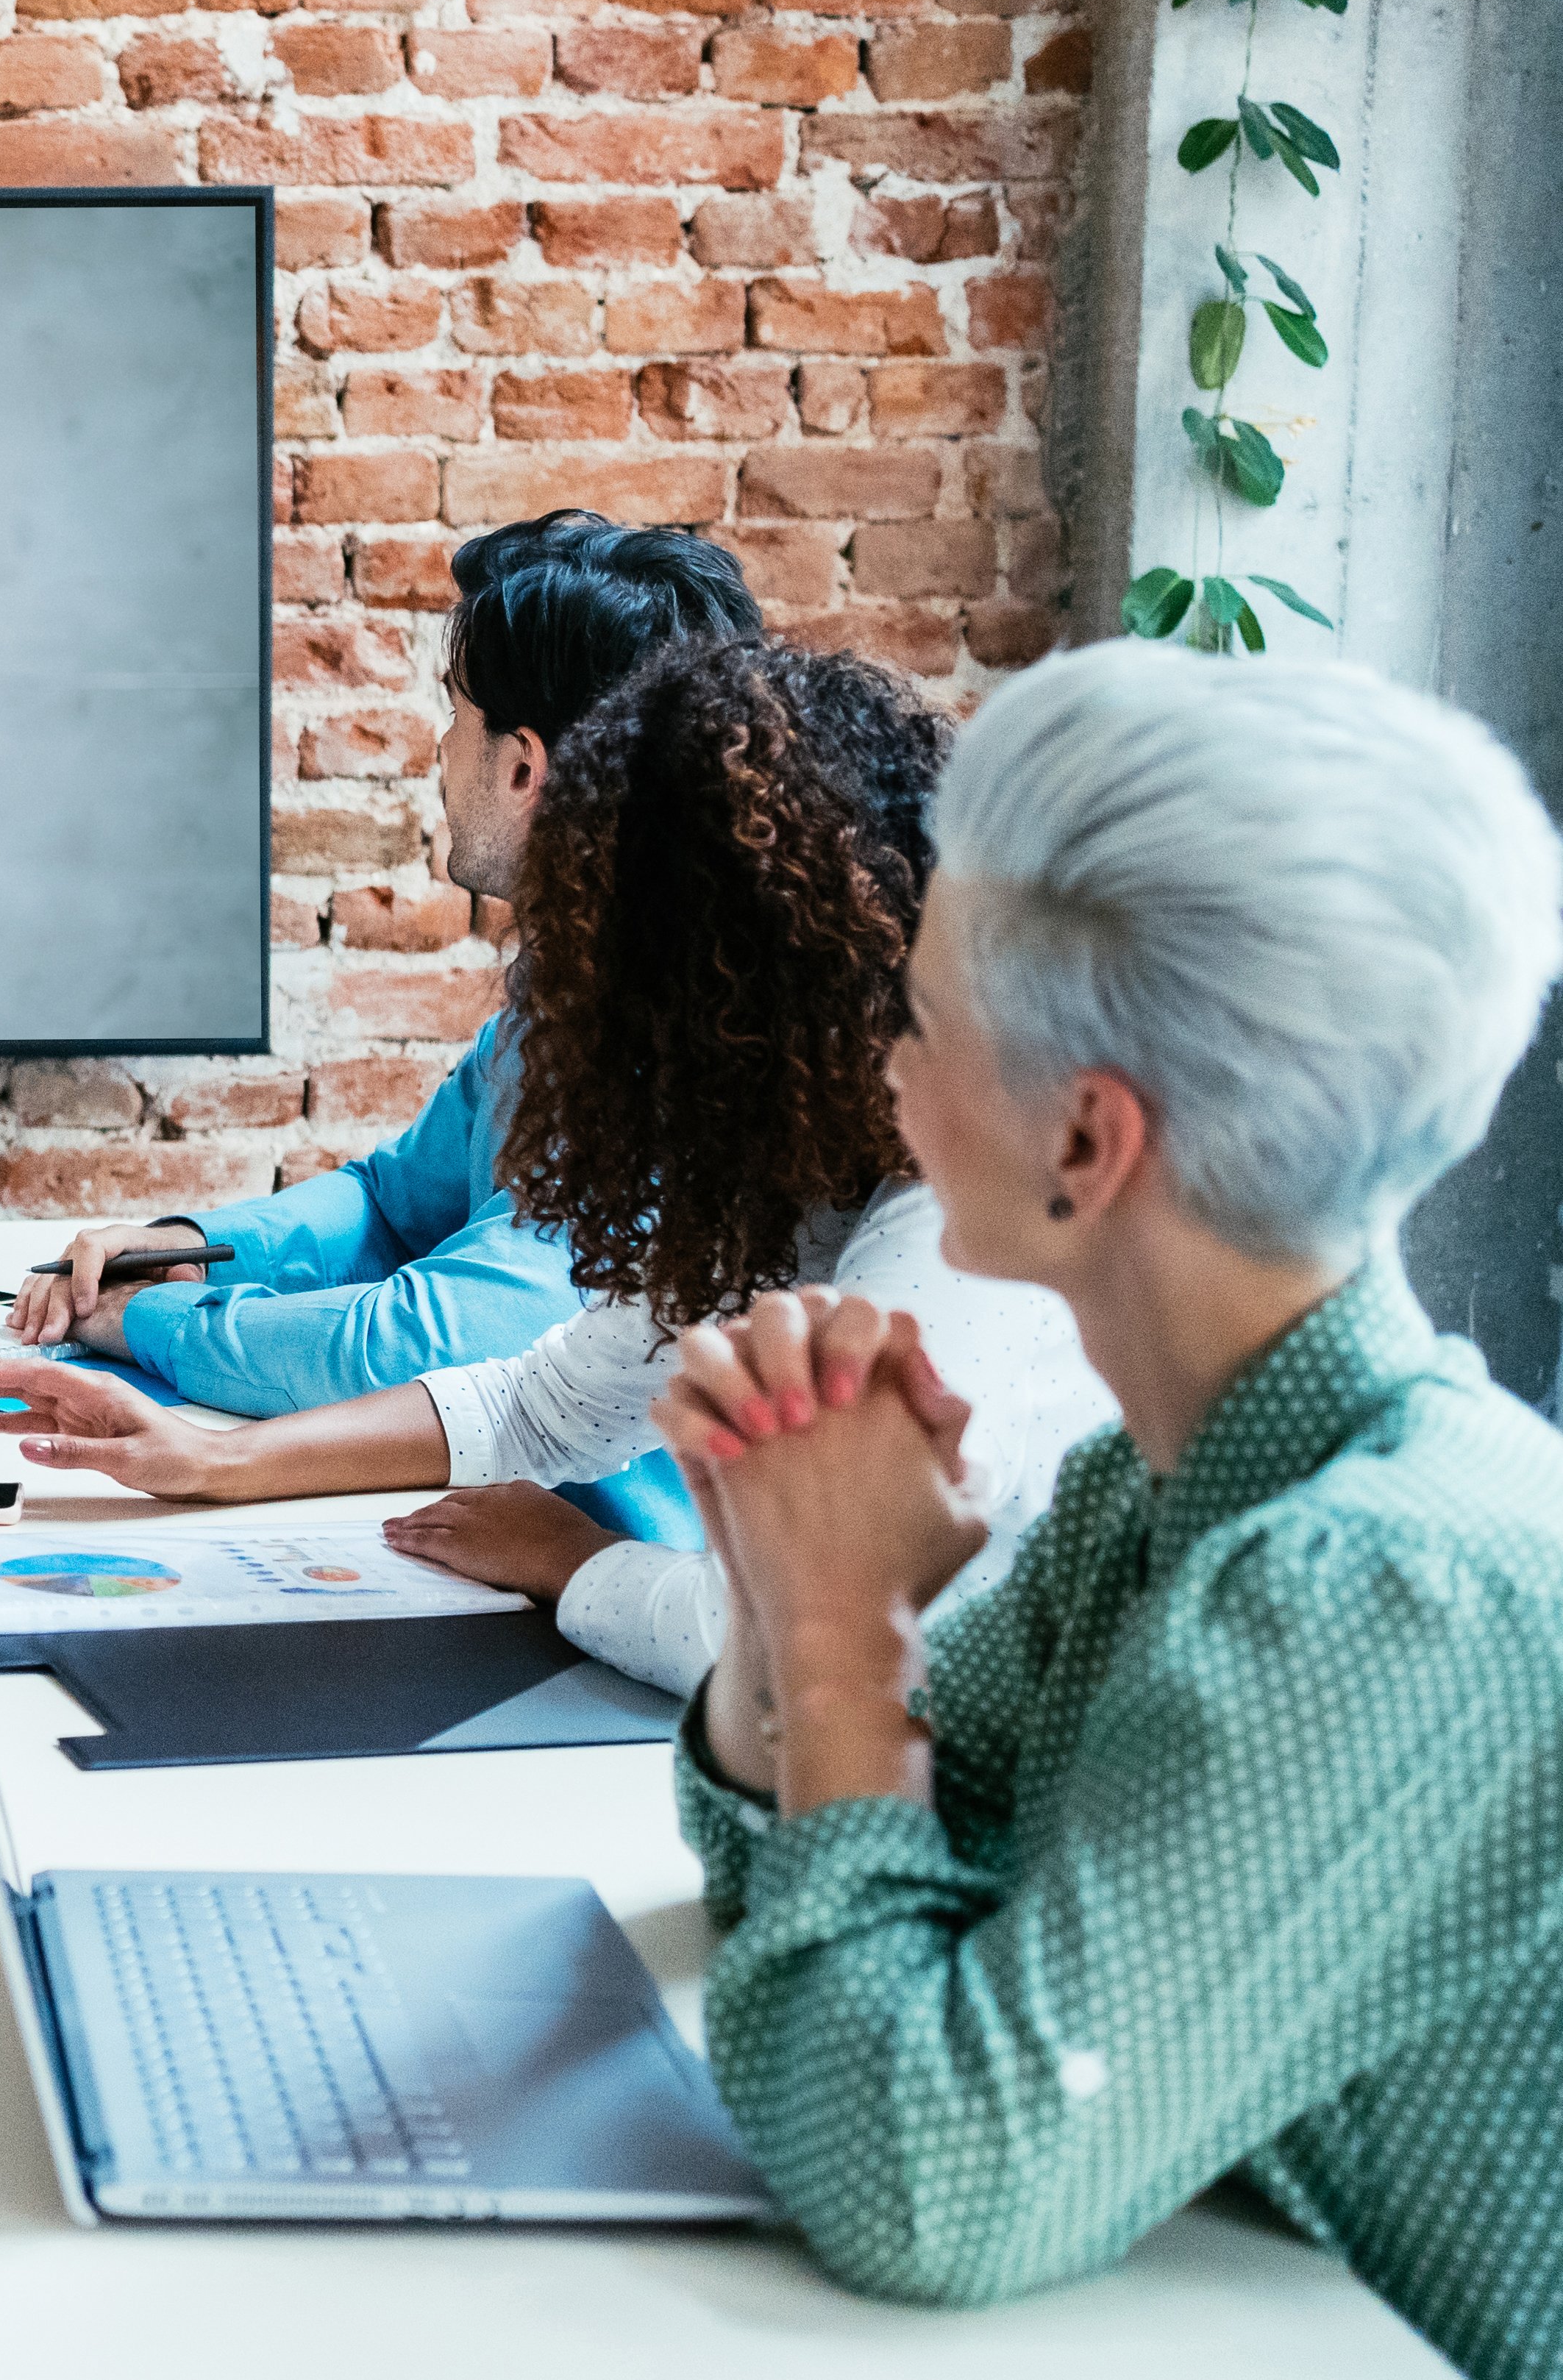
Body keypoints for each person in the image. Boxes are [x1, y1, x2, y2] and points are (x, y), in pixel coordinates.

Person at [641, 646, 1563, 2368]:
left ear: (1086, 1139)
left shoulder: (1376, 1582)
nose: (887, 1067)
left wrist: (849, 1635)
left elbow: (920, 2176)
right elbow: (806, 1899)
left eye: (916, 1017)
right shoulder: (1160, 1496)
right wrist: (777, 1574)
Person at [0, 641, 1113, 1696]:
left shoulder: (959, 1240)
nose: (571, 1009)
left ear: (731, 995)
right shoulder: (790, 1171)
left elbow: (771, 1643)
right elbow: (553, 1400)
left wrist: (572, 1560)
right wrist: (211, 1456)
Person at [9, 514, 763, 1476]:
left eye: (456, 713)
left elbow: (431, 1342)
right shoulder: (566, 997)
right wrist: (182, 1242)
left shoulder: (672, 1041)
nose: (438, 753)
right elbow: (395, 1202)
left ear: (525, 766)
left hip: (595, 1582)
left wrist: (153, 1320)